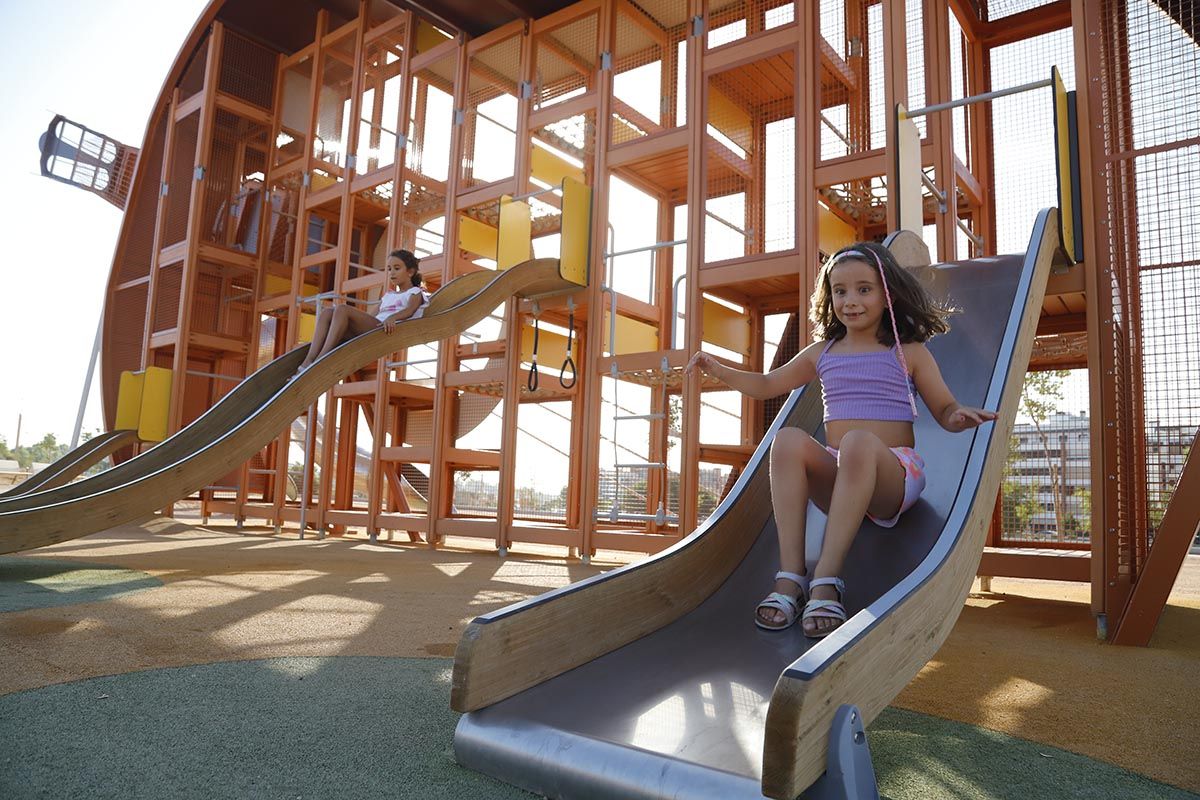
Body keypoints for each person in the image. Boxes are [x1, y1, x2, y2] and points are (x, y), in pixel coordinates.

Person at [684, 242, 996, 638]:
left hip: (892, 476)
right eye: (840, 290)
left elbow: (944, 407)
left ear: (888, 295)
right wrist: (719, 369)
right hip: (840, 476)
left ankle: (827, 579)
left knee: (858, 443)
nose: (850, 300)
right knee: (787, 440)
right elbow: (766, 385)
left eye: (864, 289)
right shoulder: (822, 352)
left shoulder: (909, 353)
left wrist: (958, 417)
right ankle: (791, 576)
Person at [295, 249, 430, 374]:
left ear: (410, 272)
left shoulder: (415, 292)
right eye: (389, 269)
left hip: (385, 331)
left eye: (397, 268)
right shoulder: (389, 295)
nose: (392, 273)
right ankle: (308, 360)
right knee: (327, 313)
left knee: (342, 309)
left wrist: (393, 317)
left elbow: (410, 310)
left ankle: (321, 359)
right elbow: (372, 316)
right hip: (376, 326)